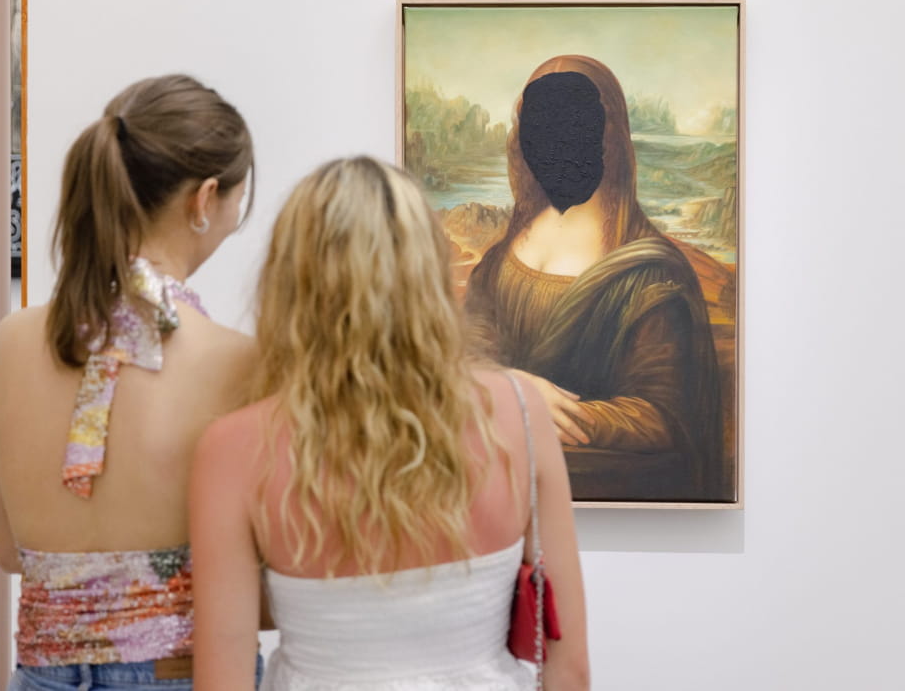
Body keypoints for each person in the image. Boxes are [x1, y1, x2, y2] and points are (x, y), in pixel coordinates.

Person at [189, 157, 589, 690]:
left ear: (289, 282)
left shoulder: (232, 449)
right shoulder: (519, 410)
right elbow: (569, 669)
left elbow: (223, 681)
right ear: (430, 272)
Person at [0, 74, 260, 690]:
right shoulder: (239, 360)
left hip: (42, 677)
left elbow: (5, 548)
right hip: (180, 674)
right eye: (238, 201)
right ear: (204, 199)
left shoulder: (12, 340)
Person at [464, 55, 727, 502]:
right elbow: (463, 364)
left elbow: (663, 417)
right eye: (538, 123)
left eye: (572, 121)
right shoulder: (499, 260)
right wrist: (509, 393)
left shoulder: (650, 274)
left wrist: (535, 408)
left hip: (601, 484)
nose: (554, 140)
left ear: (607, 137)